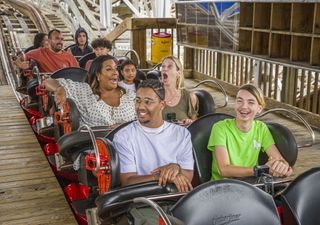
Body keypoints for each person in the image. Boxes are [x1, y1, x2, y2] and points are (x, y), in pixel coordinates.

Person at [113, 79, 194, 192]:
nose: (140, 107)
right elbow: (127, 181)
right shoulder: (123, 137)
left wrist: (177, 168)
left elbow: (188, 175)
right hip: (140, 200)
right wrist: (160, 176)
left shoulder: (182, 134)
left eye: (148, 101)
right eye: (137, 100)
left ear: (162, 105)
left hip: (174, 197)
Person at [207, 84, 293, 180]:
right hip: (222, 186)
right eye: (240, 101)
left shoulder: (261, 128)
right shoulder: (220, 128)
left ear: (259, 108)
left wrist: (283, 167)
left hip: (250, 185)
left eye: (251, 102)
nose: (244, 106)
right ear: (235, 104)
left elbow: (278, 159)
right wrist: (260, 170)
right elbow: (224, 170)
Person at [44, 54, 136, 127]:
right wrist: (59, 89)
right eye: (109, 69)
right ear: (98, 75)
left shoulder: (129, 95)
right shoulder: (84, 91)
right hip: (92, 146)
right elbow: (47, 82)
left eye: (116, 69)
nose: (115, 72)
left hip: (128, 146)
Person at [15, 28, 79, 73]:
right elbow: (17, 59)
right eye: (57, 39)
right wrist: (21, 65)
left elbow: (78, 73)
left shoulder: (69, 57)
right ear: (49, 40)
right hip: (50, 87)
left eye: (62, 39)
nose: (60, 41)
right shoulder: (39, 53)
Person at [161, 55, 198, 125]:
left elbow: (196, 125)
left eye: (169, 66)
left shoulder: (190, 96)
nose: (164, 69)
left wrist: (189, 122)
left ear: (178, 73)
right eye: (163, 66)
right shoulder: (154, 95)